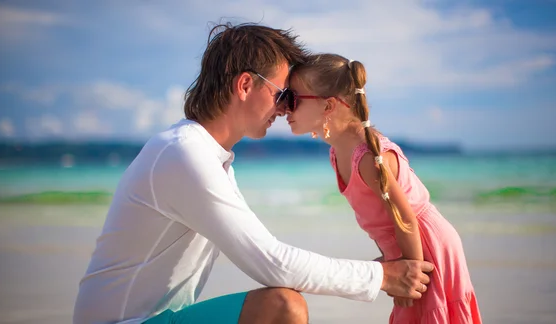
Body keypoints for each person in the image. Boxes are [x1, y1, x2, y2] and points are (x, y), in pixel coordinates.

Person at [72, 23, 435, 324]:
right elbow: (272, 263)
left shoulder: (212, 158)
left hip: (156, 319)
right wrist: (382, 276)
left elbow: (267, 254)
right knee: (282, 307)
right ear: (245, 85)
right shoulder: (184, 153)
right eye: (283, 95)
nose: (284, 109)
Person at [284, 53, 482, 323]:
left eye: (292, 98)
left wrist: (409, 270)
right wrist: (389, 259)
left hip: (425, 248)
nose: (284, 108)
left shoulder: (368, 157)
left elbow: (407, 220)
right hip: (405, 248)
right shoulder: (337, 152)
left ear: (328, 106)